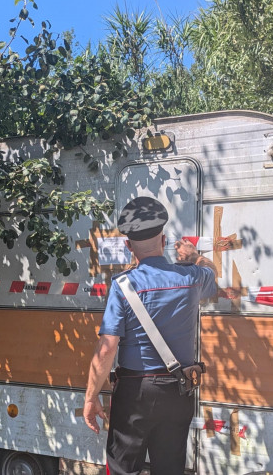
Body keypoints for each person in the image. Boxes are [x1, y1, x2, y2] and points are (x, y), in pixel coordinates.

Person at [82, 197, 218, 475]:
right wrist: (195, 256)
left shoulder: (123, 285)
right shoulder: (191, 277)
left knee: (123, 469)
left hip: (135, 392)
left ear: (129, 246)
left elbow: (106, 349)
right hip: (178, 390)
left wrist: (90, 397)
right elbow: (212, 273)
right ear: (164, 240)